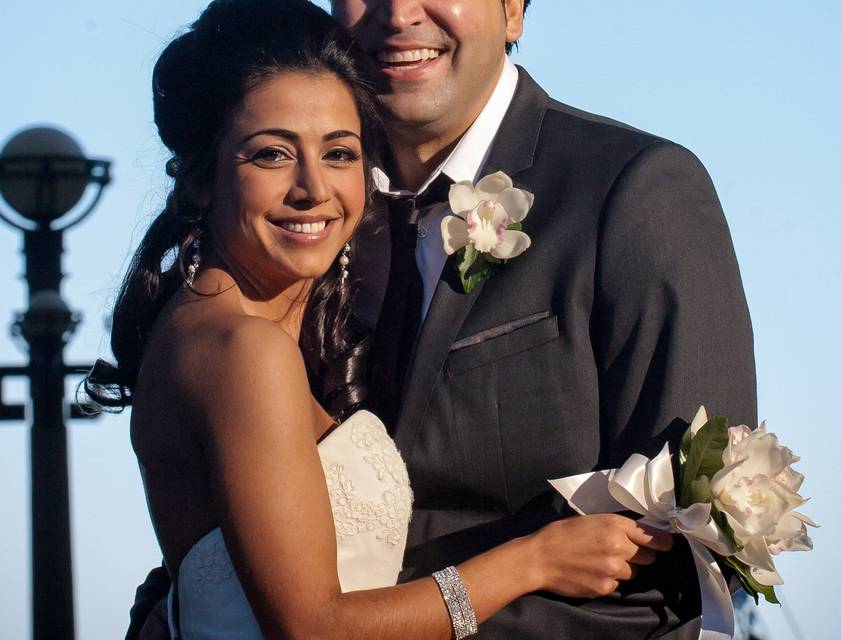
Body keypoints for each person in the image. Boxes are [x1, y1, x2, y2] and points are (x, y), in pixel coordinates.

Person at [98, 1, 674, 639]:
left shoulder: (258, 320)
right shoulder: (241, 348)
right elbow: (314, 627)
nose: (312, 188)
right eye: (271, 155)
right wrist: (532, 560)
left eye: (340, 153)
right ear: (202, 178)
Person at [329, 0, 758, 638]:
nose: (396, 12)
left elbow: (680, 554)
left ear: (512, 12)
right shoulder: (306, 212)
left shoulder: (635, 190)